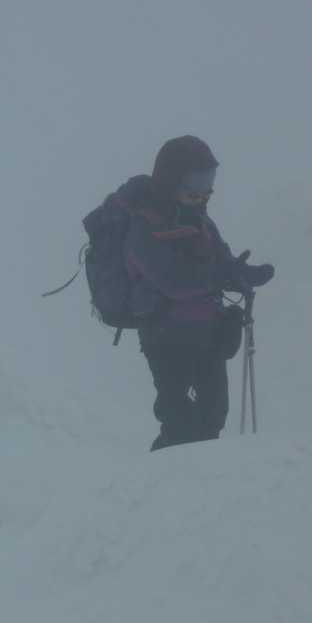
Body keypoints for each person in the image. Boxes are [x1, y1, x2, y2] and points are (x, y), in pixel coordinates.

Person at [118, 136, 275, 451]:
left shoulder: (201, 222)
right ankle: (158, 475)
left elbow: (221, 261)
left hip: (206, 333)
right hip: (166, 338)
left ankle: (199, 479)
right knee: (179, 422)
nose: (204, 191)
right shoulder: (144, 227)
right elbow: (174, 282)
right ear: (170, 180)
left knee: (213, 416)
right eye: (196, 181)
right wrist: (221, 276)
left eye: (209, 180)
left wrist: (242, 275)